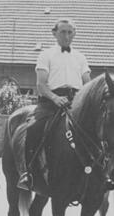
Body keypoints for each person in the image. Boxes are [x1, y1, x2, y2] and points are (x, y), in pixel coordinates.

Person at [18, 18, 91, 190]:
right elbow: (41, 85)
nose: (66, 36)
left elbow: (87, 83)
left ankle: (101, 172)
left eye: (70, 32)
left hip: (76, 101)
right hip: (51, 101)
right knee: (34, 128)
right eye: (62, 32)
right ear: (54, 34)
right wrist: (55, 98)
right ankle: (29, 173)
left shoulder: (80, 57)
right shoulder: (46, 55)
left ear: (74, 34)